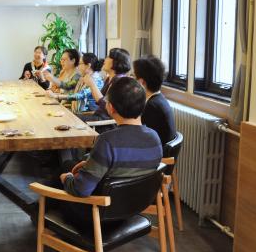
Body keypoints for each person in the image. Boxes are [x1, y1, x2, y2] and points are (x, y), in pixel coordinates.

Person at [57, 77, 163, 225]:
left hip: (98, 216)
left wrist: (67, 178)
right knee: (69, 163)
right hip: (134, 211)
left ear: (111, 108)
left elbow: (81, 190)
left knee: (59, 177)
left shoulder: (107, 141)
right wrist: (89, 162)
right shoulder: (154, 137)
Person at [133, 55, 177, 146]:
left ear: (141, 82)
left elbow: (143, 139)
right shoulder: (159, 99)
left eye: (134, 77)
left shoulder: (152, 107)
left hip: (154, 152)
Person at [81, 47, 131, 122]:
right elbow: (99, 102)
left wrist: (92, 84)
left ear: (116, 62)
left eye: (108, 57)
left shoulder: (119, 81)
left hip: (104, 122)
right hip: (99, 116)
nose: (105, 59)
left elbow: (105, 105)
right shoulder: (109, 79)